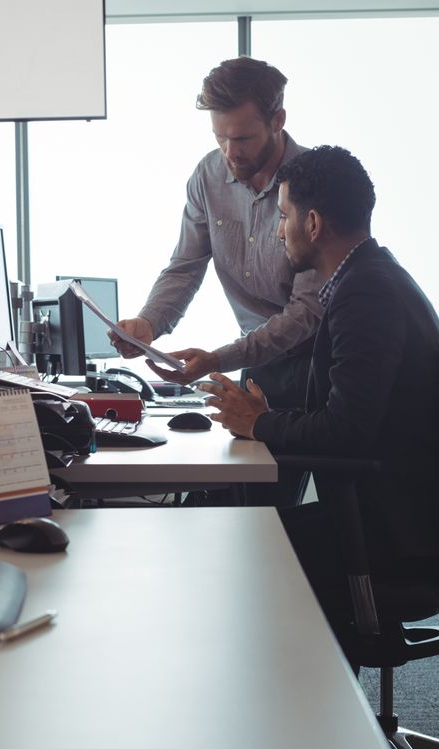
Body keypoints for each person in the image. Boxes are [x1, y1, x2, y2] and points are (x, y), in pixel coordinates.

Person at [194, 145, 439, 652]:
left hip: (400, 537)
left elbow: (347, 431)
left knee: (244, 550)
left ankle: (312, 719)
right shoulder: (368, 277)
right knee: (248, 534)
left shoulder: (364, 295)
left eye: (283, 216)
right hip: (398, 513)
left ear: (312, 223)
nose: (278, 230)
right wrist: (265, 416)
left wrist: (260, 425)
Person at [111, 56, 323, 414]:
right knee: (251, 469)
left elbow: (305, 312)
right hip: (257, 363)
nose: (230, 153)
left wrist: (216, 360)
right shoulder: (208, 176)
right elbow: (185, 267)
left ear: (278, 121)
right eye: (220, 137)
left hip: (322, 363)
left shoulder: (313, 182)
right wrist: (149, 324)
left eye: (242, 138)